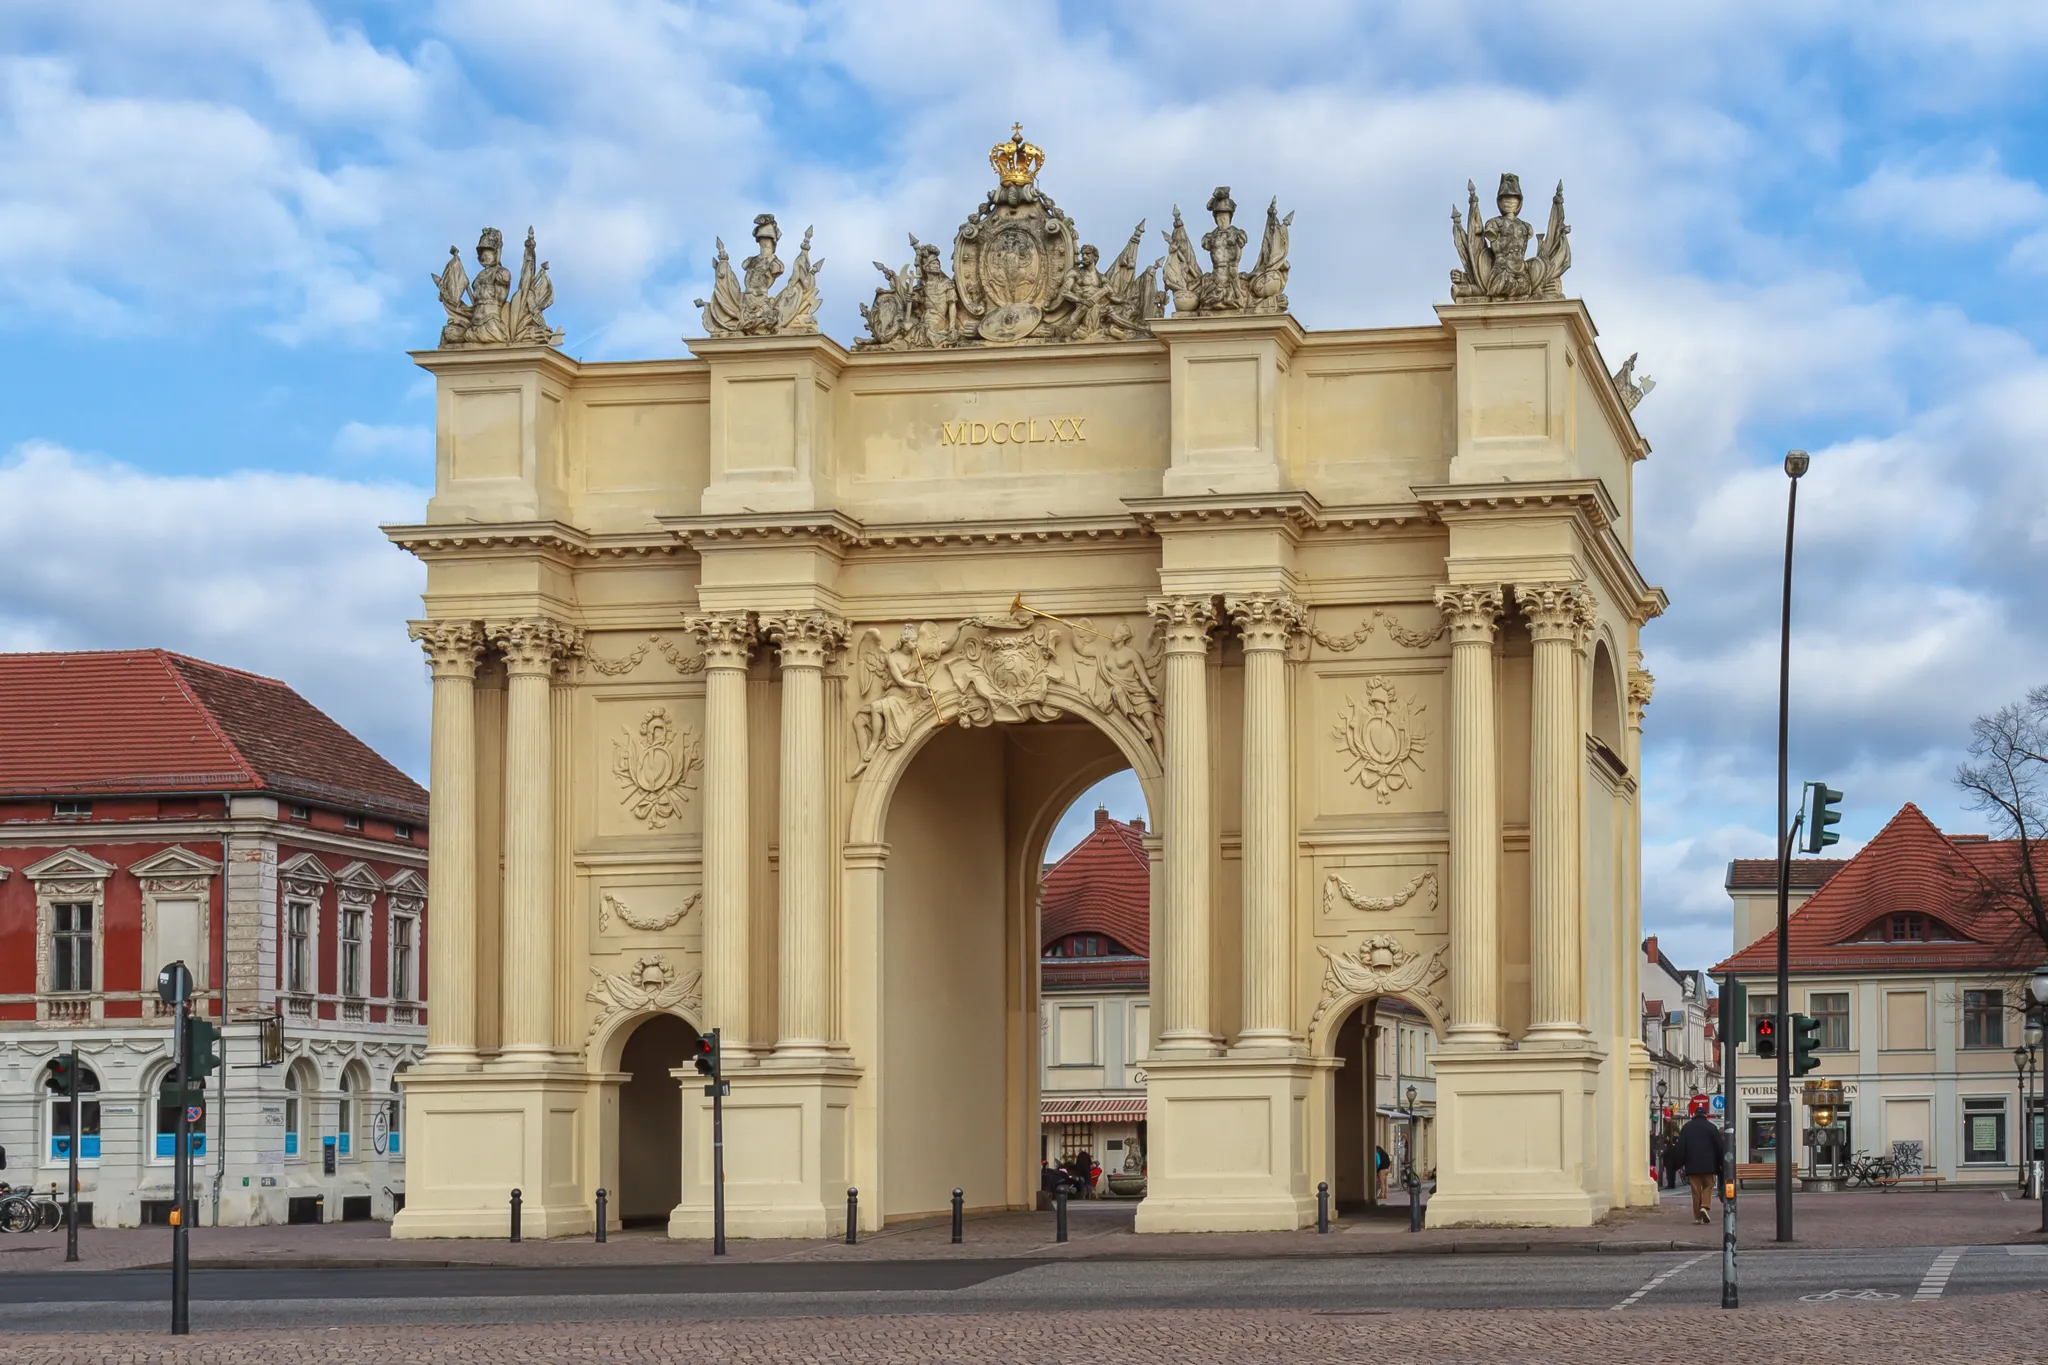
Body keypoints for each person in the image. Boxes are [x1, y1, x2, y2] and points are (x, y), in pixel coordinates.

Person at [1679, 1098, 1726, 1224]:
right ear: (1705, 1115)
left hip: (1692, 1164)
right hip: (1708, 1165)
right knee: (1709, 1185)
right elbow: (1719, 1146)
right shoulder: (1711, 1128)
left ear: (1694, 1115)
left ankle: (1697, 1217)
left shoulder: (1686, 1127)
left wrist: (1680, 1162)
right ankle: (1705, 1206)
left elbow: (1681, 1146)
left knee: (1695, 1190)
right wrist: (1722, 1163)